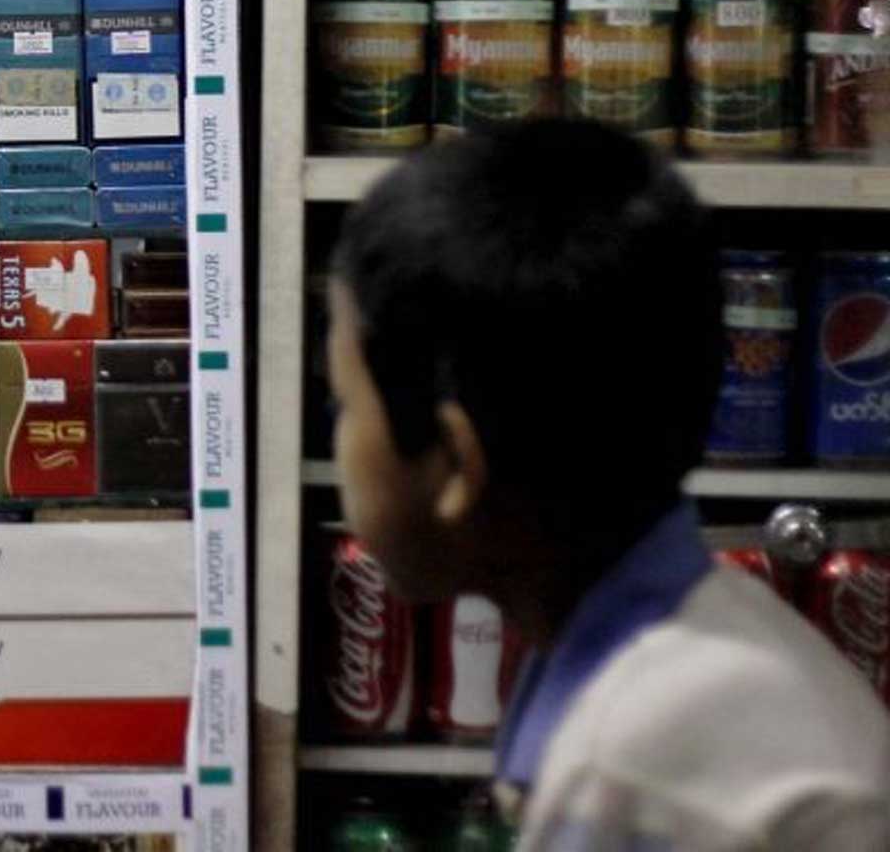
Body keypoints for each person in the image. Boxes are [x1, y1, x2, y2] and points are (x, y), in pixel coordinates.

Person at [327, 118, 890, 850]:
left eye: (345, 405)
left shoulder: (634, 775)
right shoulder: (687, 651)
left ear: (457, 470)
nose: (341, 443)